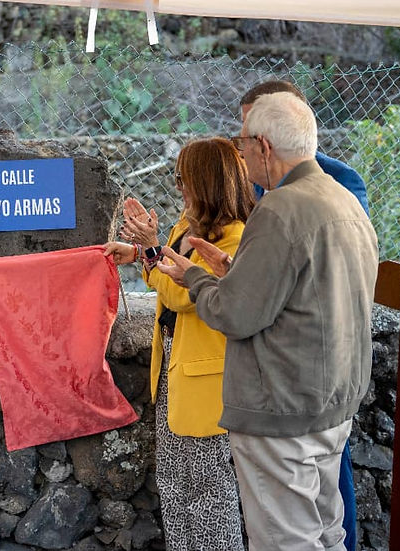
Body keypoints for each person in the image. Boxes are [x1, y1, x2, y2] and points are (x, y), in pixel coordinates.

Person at [156, 92, 378, 551]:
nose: (240, 156)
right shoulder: (343, 200)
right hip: (332, 402)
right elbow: (305, 292)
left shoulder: (279, 209)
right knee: (327, 533)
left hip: (282, 409)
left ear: (264, 146)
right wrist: (231, 271)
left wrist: (195, 277)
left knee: (285, 541)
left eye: (242, 144)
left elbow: (235, 314)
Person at [104, 138, 255, 551]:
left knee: (209, 498)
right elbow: (164, 273)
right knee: (174, 489)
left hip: (208, 384)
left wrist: (151, 251)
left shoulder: (234, 239)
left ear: (206, 182)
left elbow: (180, 294)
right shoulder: (186, 228)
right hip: (174, 371)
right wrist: (144, 251)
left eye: (182, 178)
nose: (179, 187)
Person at [240, 79, 368, 551]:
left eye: (247, 135)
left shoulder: (332, 185)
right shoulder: (262, 183)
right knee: (322, 526)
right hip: (314, 384)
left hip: (303, 384)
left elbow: (247, 307)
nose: (243, 148)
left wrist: (205, 283)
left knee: (302, 529)